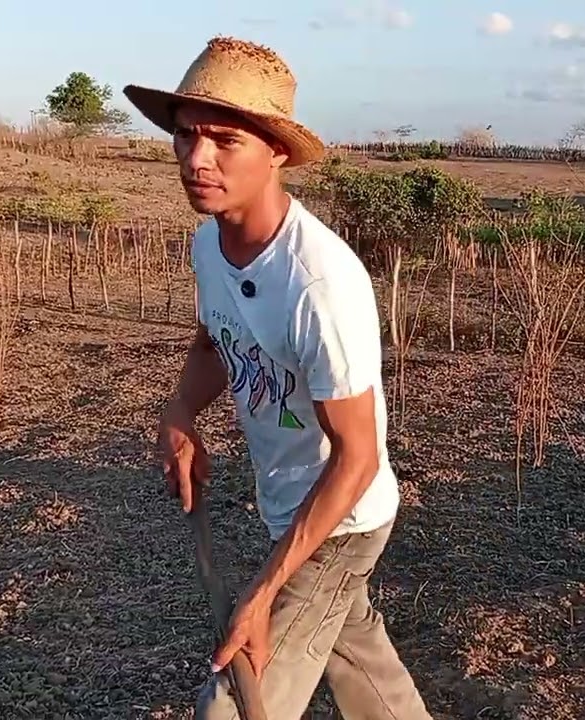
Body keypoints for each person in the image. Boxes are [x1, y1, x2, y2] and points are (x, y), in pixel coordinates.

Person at [123, 36, 432, 720]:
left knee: (234, 701)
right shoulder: (211, 242)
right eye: (186, 135)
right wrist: (180, 410)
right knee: (359, 659)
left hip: (341, 519)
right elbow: (216, 338)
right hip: (288, 503)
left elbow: (357, 457)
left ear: (277, 153)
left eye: (224, 140)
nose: (196, 159)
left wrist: (262, 592)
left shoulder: (318, 283)